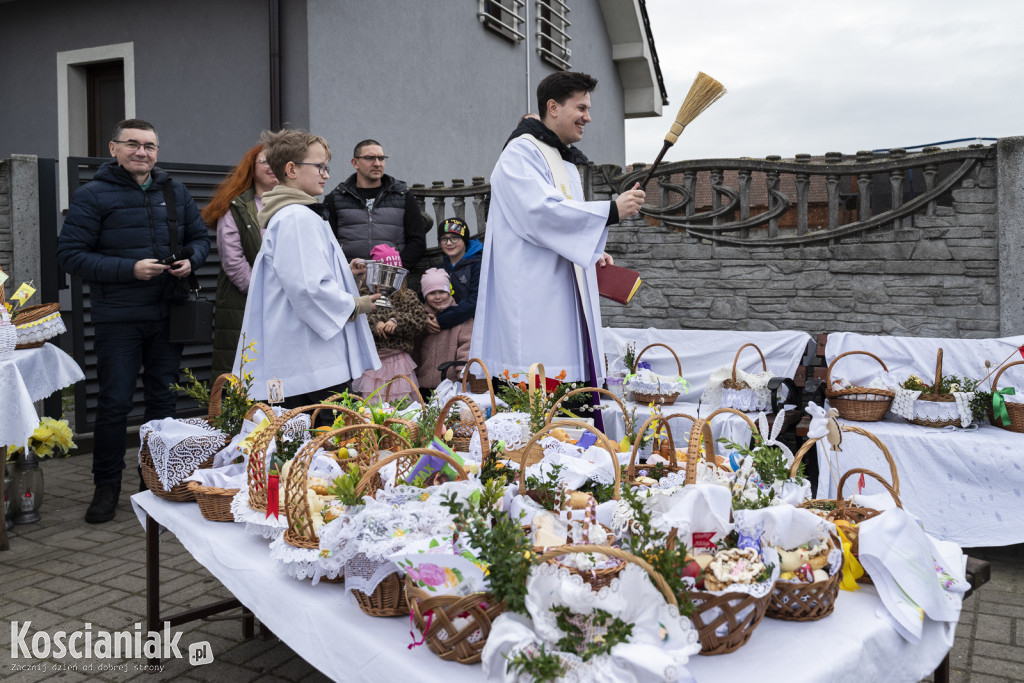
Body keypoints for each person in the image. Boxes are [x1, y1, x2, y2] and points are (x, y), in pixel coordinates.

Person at [56, 118, 210, 523]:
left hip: (167, 312)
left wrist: (190, 260)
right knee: (115, 403)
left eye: (150, 146)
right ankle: (106, 488)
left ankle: (153, 483)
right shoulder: (91, 195)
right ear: (113, 148)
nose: (142, 152)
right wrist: (130, 269)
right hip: (118, 317)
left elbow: (200, 239)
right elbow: (70, 255)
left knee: (162, 401)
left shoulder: (173, 190)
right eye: (133, 144)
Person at [469, 71, 645, 390]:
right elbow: (540, 212)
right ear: (553, 107)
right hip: (534, 295)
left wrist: (592, 251)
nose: (587, 118)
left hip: (561, 293)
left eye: (588, 109)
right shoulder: (521, 153)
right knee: (538, 402)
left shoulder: (561, 159)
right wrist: (611, 210)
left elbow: (565, 224)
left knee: (568, 404)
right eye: (581, 108)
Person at [235, 129, 380, 409]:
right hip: (310, 361)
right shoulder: (296, 218)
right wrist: (355, 304)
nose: (326, 174)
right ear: (291, 169)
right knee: (325, 438)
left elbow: (298, 275)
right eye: (319, 166)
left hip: (304, 355)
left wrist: (344, 273)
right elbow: (308, 287)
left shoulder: (295, 214)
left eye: (327, 167)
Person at [201, 144, 279, 380]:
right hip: (246, 301)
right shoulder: (235, 206)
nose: (272, 167)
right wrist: (264, 294)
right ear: (251, 168)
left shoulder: (295, 206)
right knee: (245, 374)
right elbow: (233, 262)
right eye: (266, 161)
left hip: (285, 303)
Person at [322, 139, 427, 268]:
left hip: (391, 281)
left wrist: (395, 270)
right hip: (350, 278)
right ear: (355, 163)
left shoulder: (402, 196)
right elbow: (326, 244)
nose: (377, 163)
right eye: (370, 158)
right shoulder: (336, 199)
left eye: (381, 158)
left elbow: (418, 242)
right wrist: (345, 271)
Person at [353, 244, 428, 403]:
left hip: (399, 361)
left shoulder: (407, 296)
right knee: (373, 405)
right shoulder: (365, 296)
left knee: (402, 404)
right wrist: (375, 323)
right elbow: (357, 319)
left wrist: (396, 321)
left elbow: (420, 320)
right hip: (373, 362)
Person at [415, 267, 473, 392]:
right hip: (423, 383)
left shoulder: (460, 316)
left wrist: (462, 375)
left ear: (449, 291)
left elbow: (466, 346)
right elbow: (414, 351)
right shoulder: (420, 317)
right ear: (424, 296)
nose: (437, 297)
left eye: (442, 291)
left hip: (452, 384)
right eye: (431, 293)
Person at [427, 217, 481, 334]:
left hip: (475, 329)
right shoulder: (440, 270)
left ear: (464, 240)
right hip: (447, 330)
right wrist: (425, 317)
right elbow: (425, 296)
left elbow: (475, 301)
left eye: (455, 238)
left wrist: (442, 320)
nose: (449, 243)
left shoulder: (477, 265)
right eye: (444, 239)